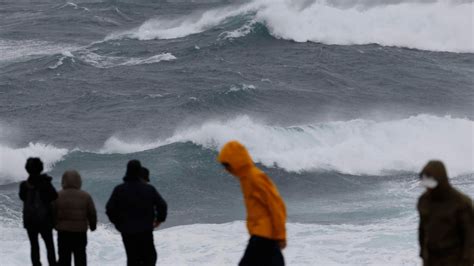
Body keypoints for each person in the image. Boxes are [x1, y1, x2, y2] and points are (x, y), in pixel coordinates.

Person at [218, 141, 287, 266]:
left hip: (263, 236)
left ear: (237, 161)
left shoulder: (255, 177)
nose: (227, 170)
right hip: (262, 236)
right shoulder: (246, 178)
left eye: (227, 165)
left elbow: (276, 205)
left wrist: (281, 235)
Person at [106, 160, 168, 266]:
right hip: (145, 230)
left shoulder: (119, 189)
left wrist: (118, 225)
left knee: (132, 259)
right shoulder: (148, 189)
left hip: (127, 231)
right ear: (139, 172)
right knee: (150, 257)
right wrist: (159, 220)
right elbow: (162, 205)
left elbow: (110, 209)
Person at [417, 160, 473, 266]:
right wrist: (423, 254)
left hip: (455, 260)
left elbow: (470, 236)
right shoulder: (424, 201)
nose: (427, 187)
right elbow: (422, 230)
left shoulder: (461, 203)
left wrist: (467, 260)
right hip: (431, 259)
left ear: (440, 180)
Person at [19, 157, 58, 266]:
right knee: (49, 245)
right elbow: (54, 196)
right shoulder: (45, 183)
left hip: (30, 220)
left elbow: (22, 197)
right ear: (41, 168)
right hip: (45, 220)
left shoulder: (24, 185)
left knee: (34, 245)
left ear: (27, 169)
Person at [54, 170, 97, 266]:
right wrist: (92, 226)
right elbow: (92, 213)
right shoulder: (85, 196)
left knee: (64, 259)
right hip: (80, 233)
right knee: (80, 258)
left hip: (63, 233)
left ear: (63, 181)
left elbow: (51, 214)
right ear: (79, 181)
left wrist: (55, 226)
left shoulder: (58, 196)